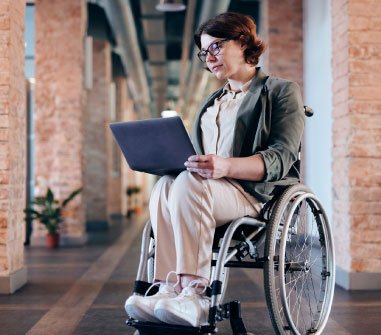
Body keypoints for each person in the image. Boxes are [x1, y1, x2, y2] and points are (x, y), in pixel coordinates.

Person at [125, 12, 305, 327]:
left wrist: (223, 166)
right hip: (207, 192)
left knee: (189, 184)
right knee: (166, 184)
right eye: (203, 52)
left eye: (216, 47)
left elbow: (281, 157)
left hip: (250, 194)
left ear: (243, 41)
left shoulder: (279, 91)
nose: (209, 58)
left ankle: (195, 295)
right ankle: (169, 288)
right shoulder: (212, 103)